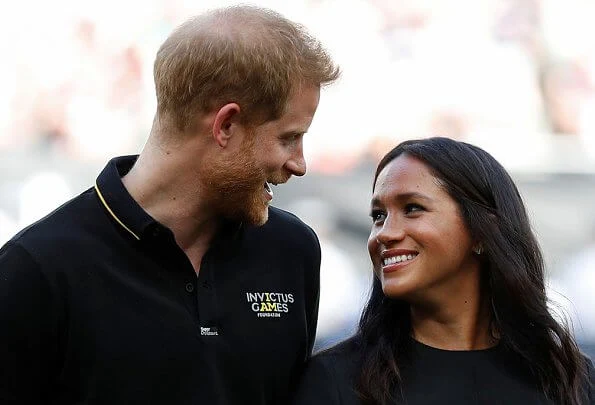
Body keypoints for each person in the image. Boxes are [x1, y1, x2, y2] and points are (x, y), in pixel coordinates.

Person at [0, 5, 339, 405]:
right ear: (226, 125)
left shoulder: (292, 250)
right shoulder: (35, 270)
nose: (298, 164)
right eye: (288, 138)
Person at [292, 137, 594, 405]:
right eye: (379, 215)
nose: (384, 233)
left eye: (412, 208)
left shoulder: (567, 378)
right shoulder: (336, 381)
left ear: (482, 231)